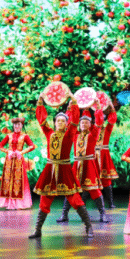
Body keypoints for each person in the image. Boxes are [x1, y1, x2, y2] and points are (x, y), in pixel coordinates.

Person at [29, 91, 93, 239]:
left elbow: (75, 119)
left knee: (75, 200)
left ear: (66, 124)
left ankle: (88, 226)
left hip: (64, 170)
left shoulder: (70, 134)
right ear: (55, 123)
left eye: (63, 121)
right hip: (50, 170)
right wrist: (40, 101)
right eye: (58, 120)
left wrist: (73, 100)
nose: (60, 123)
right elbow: (41, 119)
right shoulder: (49, 133)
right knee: (44, 201)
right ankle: (38, 230)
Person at [57, 105, 110, 223]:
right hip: (77, 166)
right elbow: (70, 123)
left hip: (89, 165)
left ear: (90, 125)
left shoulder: (92, 135)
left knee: (94, 190)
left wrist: (98, 109)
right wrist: (70, 108)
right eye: (82, 123)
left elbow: (99, 123)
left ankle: (103, 214)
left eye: (86, 123)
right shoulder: (75, 135)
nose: (84, 124)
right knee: (71, 190)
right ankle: (64, 214)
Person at [0, 117, 36, 210]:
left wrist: (21, 152)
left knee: (19, 180)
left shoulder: (24, 136)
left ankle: (19, 203)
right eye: (15, 124)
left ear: (22, 125)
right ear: (13, 125)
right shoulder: (9, 135)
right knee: (8, 179)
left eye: (18, 124)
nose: (16, 126)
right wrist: (8, 151)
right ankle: (8, 202)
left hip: (19, 160)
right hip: (9, 160)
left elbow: (32, 146)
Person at [97, 99, 118, 208]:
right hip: (92, 155)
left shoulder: (107, 129)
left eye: (102, 120)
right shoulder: (92, 129)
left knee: (106, 180)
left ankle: (110, 203)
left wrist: (112, 108)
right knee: (90, 179)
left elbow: (112, 119)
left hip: (103, 154)